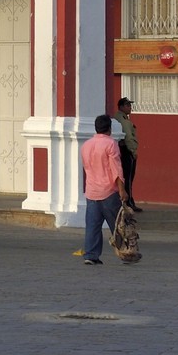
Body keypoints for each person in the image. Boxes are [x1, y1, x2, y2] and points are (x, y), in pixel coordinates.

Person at [79, 113, 125, 265]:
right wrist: (122, 190)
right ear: (109, 129)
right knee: (117, 225)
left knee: (93, 225)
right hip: (108, 191)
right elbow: (116, 169)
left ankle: (90, 255)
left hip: (92, 191)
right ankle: (125, 251)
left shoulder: (86, 145)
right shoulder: (111, 144)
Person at [116, 97, 141, 210]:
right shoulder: (124, 121)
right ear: (121, 107)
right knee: (128, 177)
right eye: (127, 105)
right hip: (126, 150)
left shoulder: (121, 118)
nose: (130, 107)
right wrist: (133, 151)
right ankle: (129, 202)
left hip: (122, 150)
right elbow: (129, 138)